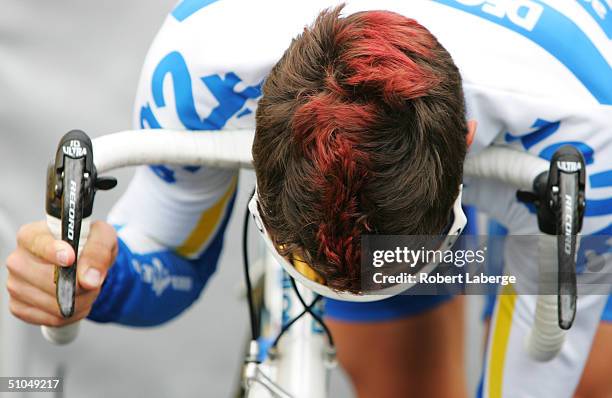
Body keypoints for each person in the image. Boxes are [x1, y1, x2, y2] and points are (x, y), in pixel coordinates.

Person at [5, 1, 611, 397]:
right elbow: (170, 251)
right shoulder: (199, 66)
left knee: (590, 377)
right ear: (254, 131)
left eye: (383, 266)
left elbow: (540, 363)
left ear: (467, 143)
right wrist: (95, 278)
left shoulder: (591, 125)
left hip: (555, 97)